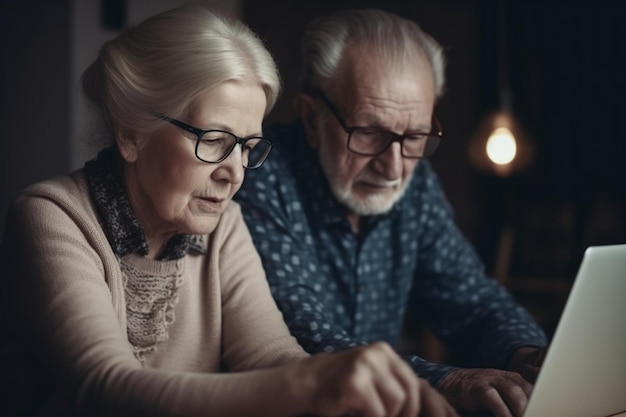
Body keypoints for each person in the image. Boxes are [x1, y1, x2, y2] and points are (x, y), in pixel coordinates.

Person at [0, 5, 458, 417]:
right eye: (215, 141)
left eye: (248, 147)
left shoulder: (224, 226)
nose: (235, 174)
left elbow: (272, 355)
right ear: (130, 135)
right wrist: (309, 383)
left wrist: (341, 384)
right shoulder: (52, 216)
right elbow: (104, 387)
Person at [234, 7, 549, 417]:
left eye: (415, 136)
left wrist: (524, 355)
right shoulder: (259, 174)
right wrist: (449, 381)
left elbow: (472, 302)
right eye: (369, 133)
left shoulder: (416, 186)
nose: (395, 167)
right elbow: (305, 336)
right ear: (312, 119)